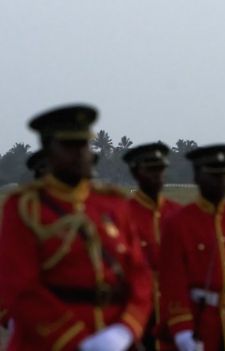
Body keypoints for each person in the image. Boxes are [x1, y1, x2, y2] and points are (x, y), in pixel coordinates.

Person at [0, 104, 152, 351]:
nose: (81, 153)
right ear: (49, 151)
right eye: (70, 146)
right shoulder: (25, 208)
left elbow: (139, 274)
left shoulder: (112, 204)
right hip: (50, 342)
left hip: (114, 338)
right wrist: (77, 340)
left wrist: (125, 329)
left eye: (84, 145)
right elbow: (19, 289)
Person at [159, 144, 225, 351]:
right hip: (200, 325)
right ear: (198, 177)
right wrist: (182, 329)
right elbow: (172, 283)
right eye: (213, 175)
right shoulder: (178, 224)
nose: (220, 181)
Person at [123, 142, 182, 351]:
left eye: (161, 169)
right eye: (151, 170)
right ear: (135, 172)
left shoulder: (179, 214)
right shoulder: (122, 215)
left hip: (174, 311)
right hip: (135, 312)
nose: (158, 175)